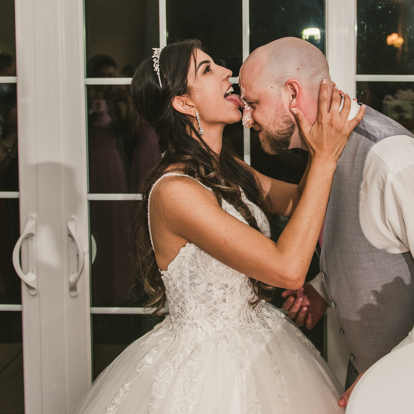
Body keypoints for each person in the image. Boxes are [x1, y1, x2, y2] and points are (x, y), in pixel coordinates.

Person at [73, 40, 364, 414]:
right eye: (207, 69)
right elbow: (287, 269)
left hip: (260, 338)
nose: (229, 73)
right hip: (210, 368)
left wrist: (310, 136)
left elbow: (300, 201)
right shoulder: (176, 191)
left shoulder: (228, 168)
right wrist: (325, 156)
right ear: (184, 102)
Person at [238, 37, 414, 408]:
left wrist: (395, 368)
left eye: (253, 104)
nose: (246, 117)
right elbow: (372, 241)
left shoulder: (394, 163)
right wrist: (323, 288)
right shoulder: (326, 153)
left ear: (292, 93)